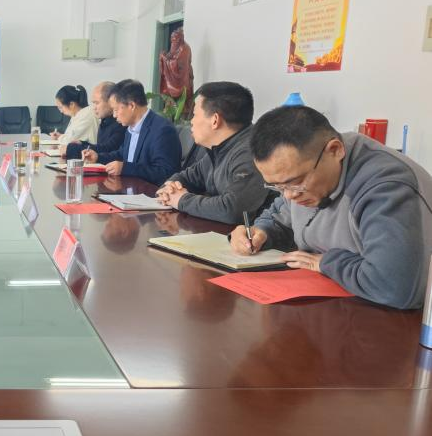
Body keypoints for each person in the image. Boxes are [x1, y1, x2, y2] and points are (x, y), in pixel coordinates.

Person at [230, 105, 432, 309]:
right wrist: (261, 232)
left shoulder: (387, 186)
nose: (289, 195)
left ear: (335, 150)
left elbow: (393, 286)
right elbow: (278, 216)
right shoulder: (302, 176)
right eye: (277, 186)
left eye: (295, 182)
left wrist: (326, 263)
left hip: (394, 317)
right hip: (333, 300)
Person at [155, 81, 269, 224]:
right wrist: (169, 189)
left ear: (215, 120)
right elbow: (186, 177)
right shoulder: (218, 149)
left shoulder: (252, 151)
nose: (191, 121)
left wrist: (182, 200)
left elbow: (233, 210)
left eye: (194, 115)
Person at [81, 79, 181, 185]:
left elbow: (165, 173)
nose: (114, 115)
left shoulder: (162, 130)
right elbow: (122, 154)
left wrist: (125, 168)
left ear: (131, 106)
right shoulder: (131, 127)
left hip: (150, 192)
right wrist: (98, 157)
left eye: (116, 110)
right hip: (129, 188)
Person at [62, 81, 125, 160]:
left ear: (111, 101)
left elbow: (108, 149)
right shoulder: (105, 120)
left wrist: (71, 149)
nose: (94, 107)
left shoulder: (121, 123)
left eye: (97, 103)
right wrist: (82, 143)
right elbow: (102, 147)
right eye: (93, 103)